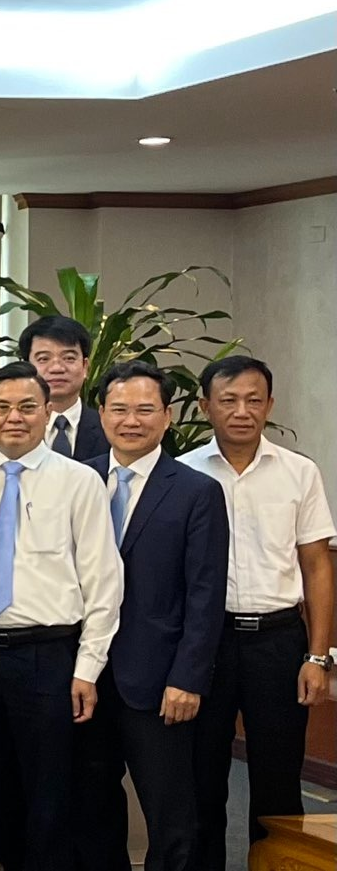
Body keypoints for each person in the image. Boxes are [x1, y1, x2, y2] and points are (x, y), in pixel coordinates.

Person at [0, 361, 122, 871]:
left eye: (27, 407)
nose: (15, 417)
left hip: (49, 657)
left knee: (49, 798)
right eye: (2, 407)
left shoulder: (80, 482)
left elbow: (104, 582)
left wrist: (87, 669)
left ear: (48, 410)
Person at [177, 354, 334, 869]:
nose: (241, 411)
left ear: (269, 405)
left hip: (278, 641)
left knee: (277, 782)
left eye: (253, 399)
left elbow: (316, 568)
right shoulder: (181, 475)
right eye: (228, 400)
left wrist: (320, 657)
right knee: (202, 781)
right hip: (207, 644)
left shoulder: (298, 472)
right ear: (205, 406)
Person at [74, 362, 226, 871]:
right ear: (102, 413)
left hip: (160, 682)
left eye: (145, 410)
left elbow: (205, 594)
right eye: (119, 409)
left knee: (171, 817)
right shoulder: (78, 480)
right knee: (91, 810)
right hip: (86, 678)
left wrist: (188, 677)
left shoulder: (195, 490)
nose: (131, 420)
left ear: (166, 417)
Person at [0, 315, 105, 461]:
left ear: (85, 367)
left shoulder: (107, 427)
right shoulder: (4, 428)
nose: (57, 368)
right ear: (27, 366)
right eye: (43, 359)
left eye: (69, 358)